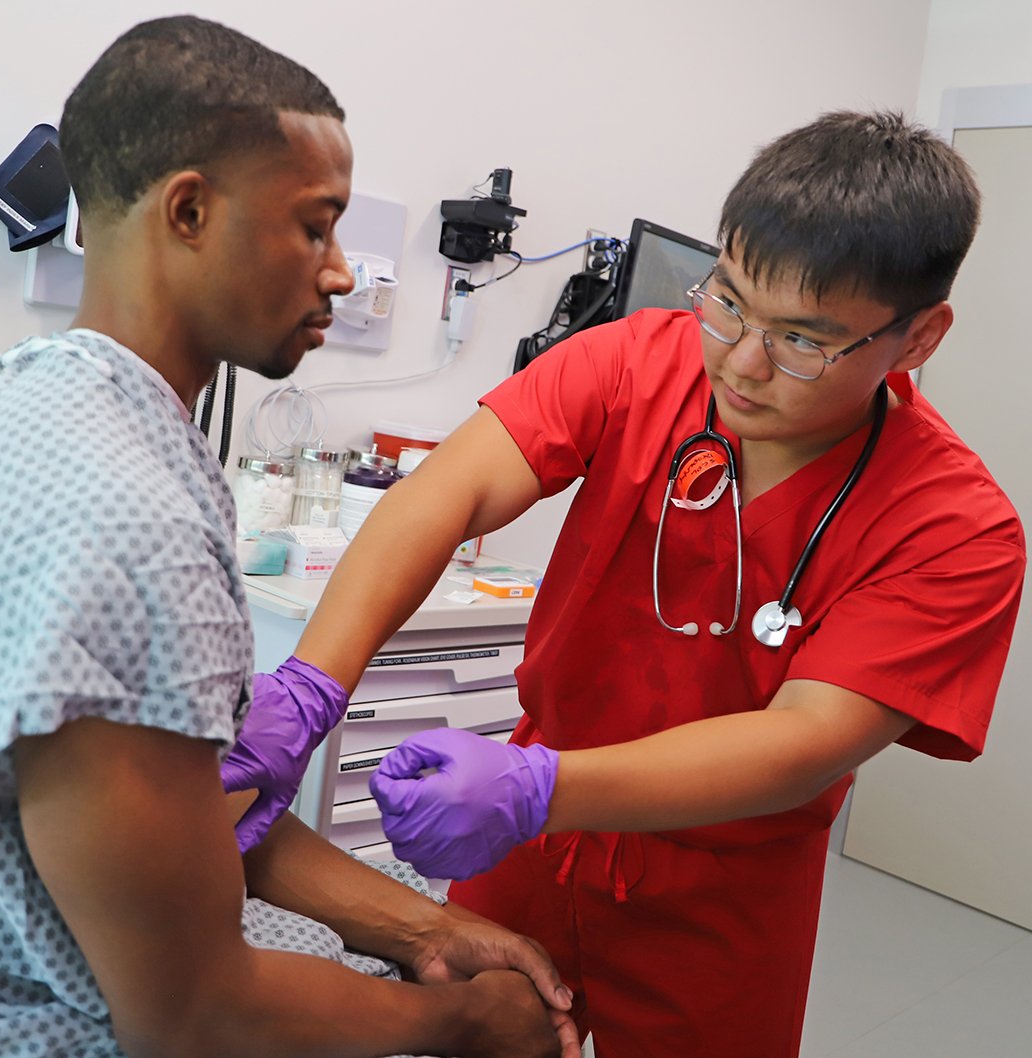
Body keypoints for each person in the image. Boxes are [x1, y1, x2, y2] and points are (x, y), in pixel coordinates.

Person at [0, 16, 579, 1058]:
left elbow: (189, 823)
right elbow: (192, 1015)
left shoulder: (43, 403)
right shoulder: (123, 518)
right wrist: (462, 1019)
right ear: (188, 211)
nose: (339, 273)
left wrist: (429, 924)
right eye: (315, 227)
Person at [262, 111, 1026, 1057]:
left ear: (918, 340)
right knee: (480, 1033)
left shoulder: (956, 528)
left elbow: (804, 743)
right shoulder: (637, 362)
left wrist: (540, 787)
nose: (743, 362)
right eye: (732, 301)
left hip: (724, 892)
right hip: (531, 851)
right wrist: (313, 683)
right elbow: (445, 497)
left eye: (804, 341)